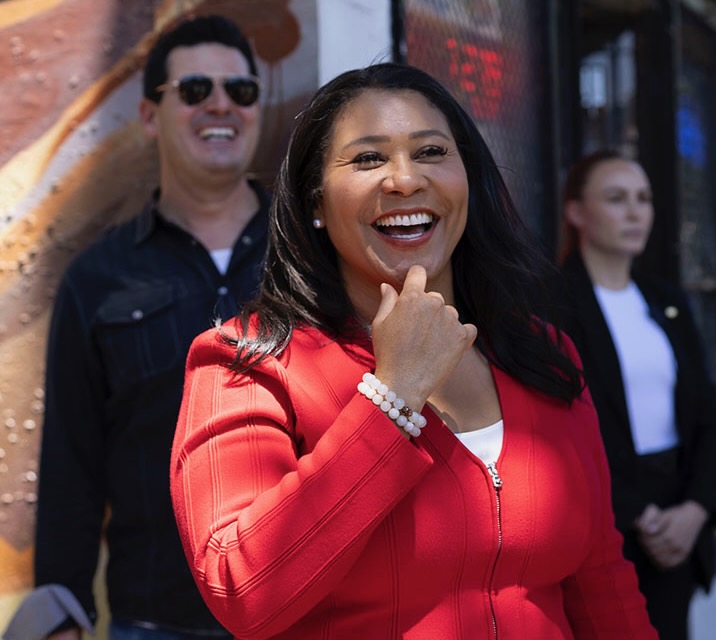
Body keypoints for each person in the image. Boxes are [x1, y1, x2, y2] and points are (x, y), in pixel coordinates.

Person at [169, 62, 658, 639]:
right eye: (368, 158)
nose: (404, 180)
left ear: (467, 180)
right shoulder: (246, 362)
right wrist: (391, 397)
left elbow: (600, 579)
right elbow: (241, 589)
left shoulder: (544, 354)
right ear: (315, 203)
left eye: (430, 152)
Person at [5, 14, 269, 640]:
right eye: (196, 90)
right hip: (153, 624)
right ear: (151, 115)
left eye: (242, 90)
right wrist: (61, 615)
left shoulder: (315, 259)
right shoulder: (99, 278)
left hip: (304, 617)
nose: (222, 106)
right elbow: (72, 467)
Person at [557, 149, 716, 640]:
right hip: (606, 517)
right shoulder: (553, 305)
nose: (635, 212)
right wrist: (637, 513)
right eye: (616, 198)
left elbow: (708, 416)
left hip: (678, 515)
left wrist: (697, 508)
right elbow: (559, 430)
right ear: (576, 213)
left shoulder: (666, 301)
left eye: (644, 199)